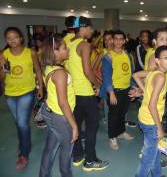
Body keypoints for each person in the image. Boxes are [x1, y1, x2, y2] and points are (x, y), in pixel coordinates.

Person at [68, 16, 109, 171]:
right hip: (85, 92)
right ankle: (90, 161)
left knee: (76, 125)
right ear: (84, 28)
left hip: (74, 92)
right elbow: (87, 70)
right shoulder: (84, 45)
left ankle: (77, 156)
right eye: (91, 28)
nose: (92, 31)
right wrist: (97, 84)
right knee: (92, 127)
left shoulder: (70, 44)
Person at [0, 27, 44, 170]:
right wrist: (2, 67)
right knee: (19, 123)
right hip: (10, 93)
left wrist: (41, 87)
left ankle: (23, 154)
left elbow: (37, 70)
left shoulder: (30, 53)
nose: (12, 40)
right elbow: (2, 77)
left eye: (15, 37)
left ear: (21, 38)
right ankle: (26, 143)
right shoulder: (3, 54)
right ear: (6, 40)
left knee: (22, 122)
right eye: (8, 38)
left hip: (27, 92)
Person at [39, 34, 78, 177]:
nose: (67, 50)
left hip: (49, 111)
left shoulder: (49, 67)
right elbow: (63, 103)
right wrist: (74, 126)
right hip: (60, 116)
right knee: (66, 150)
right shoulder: (60, 73)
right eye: (64, 48)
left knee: (50, 148)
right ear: (55, 51)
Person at [134, 46, 167, 177]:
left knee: (155, 152)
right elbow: (152, 105)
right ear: (157, 60)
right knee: (148, 159)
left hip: (144, 117)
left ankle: (157, 174)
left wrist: (144, 91)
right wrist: (160, 128)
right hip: (151, 121)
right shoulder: (161, 77)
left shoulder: (154, 71)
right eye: (166, 58)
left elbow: (136, 75)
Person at [102, 30, 135, 150]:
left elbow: (130, 72)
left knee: (122, 113)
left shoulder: (127, 54)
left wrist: (132, 88)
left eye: (121, 39)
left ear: (124, 40)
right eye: (116, 38)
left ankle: (121, 132)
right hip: (115, 91)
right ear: (112, 40)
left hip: (126, 89)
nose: (118, 41)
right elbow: (106, 76)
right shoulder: (108, 56)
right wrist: (111, 93)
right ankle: (112, 137)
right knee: (113, 115)